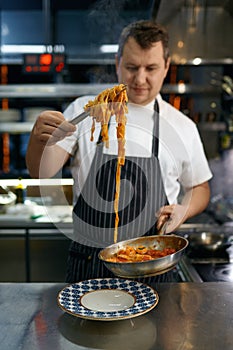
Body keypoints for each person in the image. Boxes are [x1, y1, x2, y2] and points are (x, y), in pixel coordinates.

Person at [26, 20, 212, 283]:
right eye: (132, 67)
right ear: (117, 63)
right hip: (89, 266)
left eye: (151, 68)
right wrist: (37, 140)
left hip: (152, 266)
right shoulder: (85, 112)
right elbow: (40, 173)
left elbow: (200, 188)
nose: (140, 79)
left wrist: (184, 209)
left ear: (167, 66)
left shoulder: (182, 126)